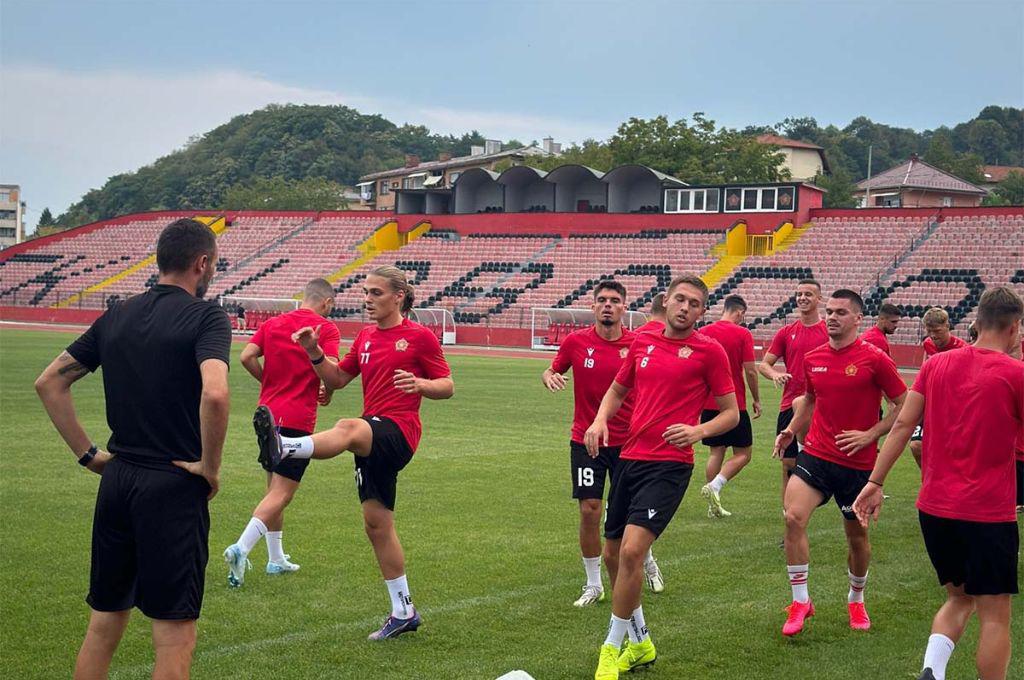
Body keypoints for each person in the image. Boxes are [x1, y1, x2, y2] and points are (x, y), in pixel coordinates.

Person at [34, 218, 231, 679]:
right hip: (173, 481)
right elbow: (217, 393)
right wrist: (209, 466)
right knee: (175, 634)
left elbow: (50, 382)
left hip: (118, 480)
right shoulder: (207, 316)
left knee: (103, 624)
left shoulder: (116, 314)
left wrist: (89, 455)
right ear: (202, 264)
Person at [249, 265, 453, 641]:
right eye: (365, 293)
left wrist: (421, 384)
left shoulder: (420, 337)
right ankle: (404, 610)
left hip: (399, 431)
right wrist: (313, 352)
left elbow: (448, 384)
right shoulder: (366, 337)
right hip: (371, 438)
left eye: (375, 293)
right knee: (377, 526)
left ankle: (287, 445)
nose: (367, 300)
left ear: (398, 296)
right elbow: (338, 378)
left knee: (348, 426)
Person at [853, 287, 1024, 680]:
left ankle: (933, 670)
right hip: (988, 513)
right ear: (1015, 328)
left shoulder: (935, 366)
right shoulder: (1016, 374)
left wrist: (875, 481)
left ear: (976, 322)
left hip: (934, 509)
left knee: (958, 598)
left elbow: (901, 425)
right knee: (995, 614)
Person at [587, 274, 739, 679]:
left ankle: (610, 649)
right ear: (666, 302)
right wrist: (601, 420)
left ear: (702, 311)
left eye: (693, 302)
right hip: (630, 458)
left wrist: (698, 431)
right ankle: (641, 643)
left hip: (670, 465)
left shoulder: (710, 352)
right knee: (612, 556)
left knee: (634, 552)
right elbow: (618, 391)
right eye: (679, 300)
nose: (685, 307)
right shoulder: (642, 342)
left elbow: (731, 413)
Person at [772, 289, 907, 637]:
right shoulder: (813, 357)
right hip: (816, 454)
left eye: (841, 313)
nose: (832, 317)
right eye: (829, 311)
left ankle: (856, 598)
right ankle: (800, 601)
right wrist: (790, 430)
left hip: (858, 465)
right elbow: (810, 400)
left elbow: (904, 405)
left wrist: (870, 434)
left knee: (856, 538)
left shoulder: (874, 358)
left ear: (858, 319)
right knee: (792, 516)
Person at [543, 281, 664, 607]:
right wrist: (549, 376)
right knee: (589, 510)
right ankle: (594, 584)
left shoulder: (639, 344)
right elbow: (552, 369)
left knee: (626, 515)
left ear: (624, 307)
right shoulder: (575, 342)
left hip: (630, 442)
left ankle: (646, 557)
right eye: (602, 300)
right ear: (593, 307)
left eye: (614, 300)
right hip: (586, 439)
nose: (607, 305)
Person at [223, 279, 341, 586]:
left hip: (267, 414)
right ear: (327, 303)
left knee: (272, 489)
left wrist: (267, 384)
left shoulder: (275, 323)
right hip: (297, 417)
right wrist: (327, 389)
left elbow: (246, 356)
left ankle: (275, 559)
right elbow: (332, 368)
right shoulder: (325, 329)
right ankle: (241, 548)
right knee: (282, 494)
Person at [758, 280, 828, 505]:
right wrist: (775, 375)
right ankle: (789, 516)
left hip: (821, 405)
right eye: (799, 294)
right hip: (789, 404)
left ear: (819, 299)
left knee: (821, 463)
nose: (802, 298)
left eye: (808, 294)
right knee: (788, 465)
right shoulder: (787, 332)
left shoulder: (829, 330)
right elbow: (764, 364)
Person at [698, 294, 761, 517]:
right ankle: (715, 486)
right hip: (734, 403)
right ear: (740, 312)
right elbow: (751, 370)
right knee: (744, 453)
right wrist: (756, 398)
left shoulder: (704, 332)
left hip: (709, 402)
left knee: (716, 452)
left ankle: (712, 505)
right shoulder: (742, 333)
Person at [909, 308, 970, 468]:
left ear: (947, 325)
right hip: (928, 404)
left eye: (937, 331)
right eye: (929, 331)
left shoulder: (962, 349)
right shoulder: (928, 344)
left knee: (948, 451)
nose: (933, 335)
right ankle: (928, 478)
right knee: (916, 446)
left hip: (950, 408)